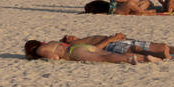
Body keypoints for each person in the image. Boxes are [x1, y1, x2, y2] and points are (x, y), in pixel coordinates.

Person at [55, 33, 174, 60]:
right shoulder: (74, 44)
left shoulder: (80, 39)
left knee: (163, 46)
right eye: (67, 38)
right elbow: (95, 49)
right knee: (159, 48)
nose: (70, 36)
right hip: (113, 47)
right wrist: (113, 38)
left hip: (116, 43)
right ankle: (169, 56)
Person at [24, 37, 160, 63]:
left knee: (104, 58)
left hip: (73, 53)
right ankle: (144, 57)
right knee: (107, 53)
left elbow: (54, 57)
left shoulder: (40, 50)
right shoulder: (51, 42)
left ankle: (130, 58)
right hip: (79, 47)